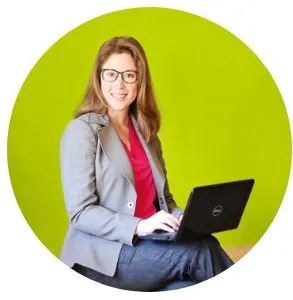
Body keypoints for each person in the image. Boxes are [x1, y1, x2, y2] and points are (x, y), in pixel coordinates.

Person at [59, 35, 234, 292]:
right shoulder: (82, 131)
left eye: (129, 75)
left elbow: (164, 200)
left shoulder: (147, 135)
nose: (119, 84)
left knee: (184, 285)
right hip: (100, 257)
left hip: (149, 247)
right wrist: (140, 225)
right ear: (98, 78)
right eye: (111, 74)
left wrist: (183, 218)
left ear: (140, 81)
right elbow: (81, 213)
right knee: (201, 251)